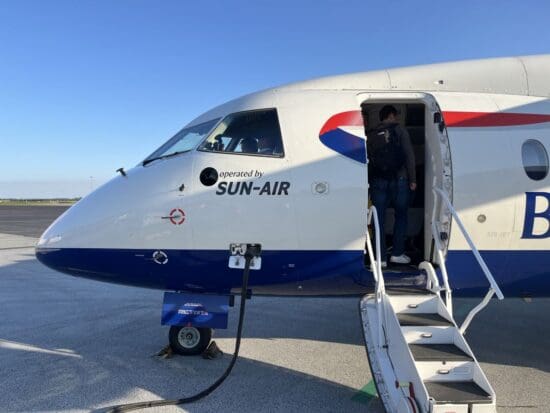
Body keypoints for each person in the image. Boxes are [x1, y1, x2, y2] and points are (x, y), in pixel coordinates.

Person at [367, 105, 416, 267]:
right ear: (392, 116)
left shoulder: (371, 134)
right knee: (401, 215)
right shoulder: (400, 130)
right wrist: (413, 180)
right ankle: (397, 253)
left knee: (378, 218)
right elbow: (409, 155)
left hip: (377, 180)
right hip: (399, 179)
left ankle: (380, 259)